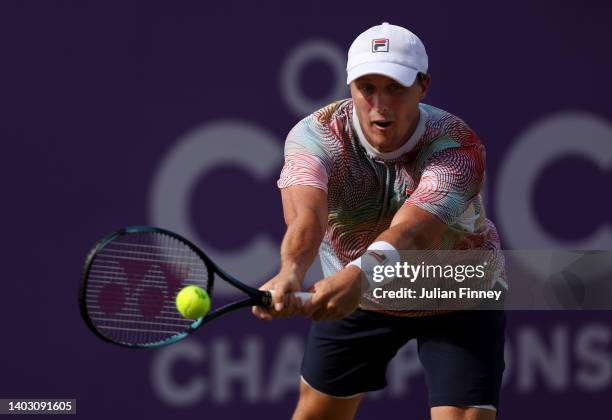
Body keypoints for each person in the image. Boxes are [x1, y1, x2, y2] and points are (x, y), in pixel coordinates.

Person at [252, 22, 506, 420]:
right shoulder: (316, 135)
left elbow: (415, 232)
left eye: (395, 87)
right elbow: (306, 215)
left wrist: (358, 274)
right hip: (359, 294)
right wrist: (290, 271)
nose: (379, 103)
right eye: (367, 88)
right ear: (350, 87)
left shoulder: (457, 144)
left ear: (423, 86)